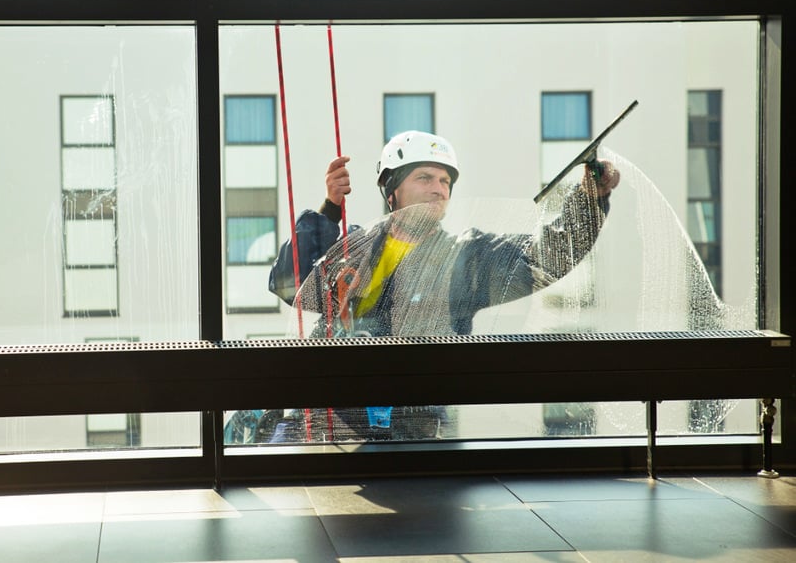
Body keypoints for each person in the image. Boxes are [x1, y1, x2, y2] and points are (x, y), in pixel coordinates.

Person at [262, 130, 620, 442]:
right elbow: (290, 285)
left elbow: (544, 258)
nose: (438, 189)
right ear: (392, 190)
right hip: (330, 433)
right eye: (425, 177)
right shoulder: (356, 248)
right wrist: (329, 211)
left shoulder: (465, 257)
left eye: (445, 181)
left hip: (413, 441)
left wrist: (588, 201)